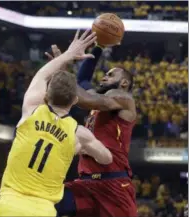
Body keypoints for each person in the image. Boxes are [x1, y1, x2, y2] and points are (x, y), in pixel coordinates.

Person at [0, 30, 113, 217]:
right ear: (75, 101)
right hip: (43, 210)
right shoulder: (78, 134)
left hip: (8, 205)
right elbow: (106, 158)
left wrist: (68, 55)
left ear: (46, 95)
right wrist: (84, 148)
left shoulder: (32, 109)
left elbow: (41, 76)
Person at [50, 44, 137, 217]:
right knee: (45, 201)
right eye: (105, 73)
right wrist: (98, 48)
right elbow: (82, 81)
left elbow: (84, 98)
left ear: (124, 82)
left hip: (113, 186)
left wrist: (62, 71)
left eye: (111, 75)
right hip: (85, 184)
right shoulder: (99, 101)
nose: (105, 76)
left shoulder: (123, 98)